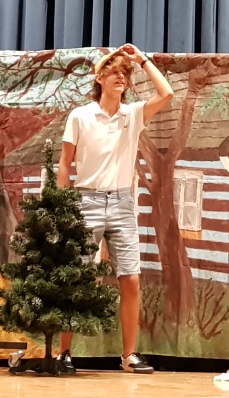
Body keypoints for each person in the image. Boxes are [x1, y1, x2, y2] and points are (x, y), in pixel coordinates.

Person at [56, 43, 174, 375]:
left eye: (125, 73)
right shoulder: (80, 116)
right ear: (100, 78)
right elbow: (65, 162)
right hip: (86, 201)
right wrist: (62, 206)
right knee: (76, 278)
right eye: (114, 72)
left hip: (122, 202)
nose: (121, 77)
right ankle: (64, 353)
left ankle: (129, 356)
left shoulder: (132, 114)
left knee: (131, 279)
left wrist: (143, 60)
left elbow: (167, 94)